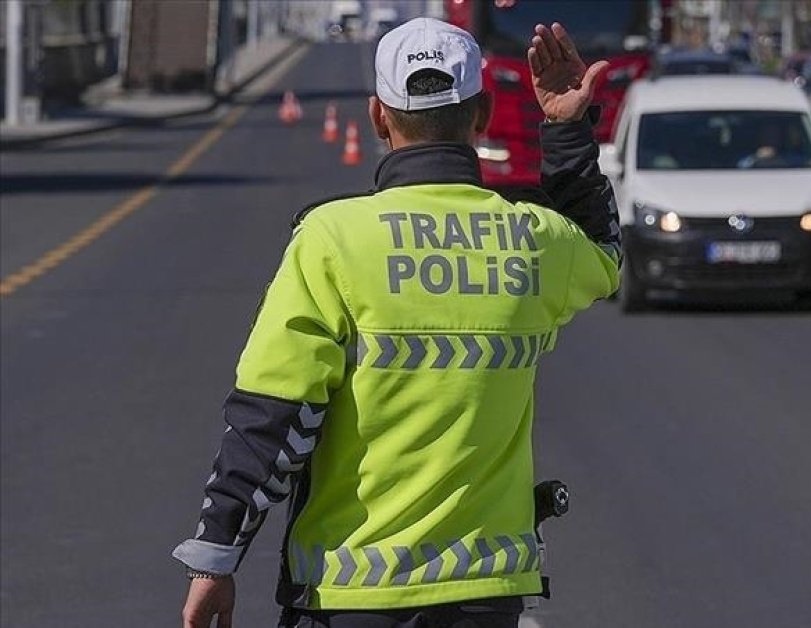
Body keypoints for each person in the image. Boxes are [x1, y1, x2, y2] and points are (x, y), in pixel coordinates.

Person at [173, 17, 620, 628]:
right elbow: (605, 252)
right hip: (484, 595)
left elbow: (274, 414)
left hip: (347, 594)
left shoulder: (332, 239)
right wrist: (566, 129)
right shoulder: (532, 239)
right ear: (483, 114)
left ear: (379, 117)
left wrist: (216, 557)